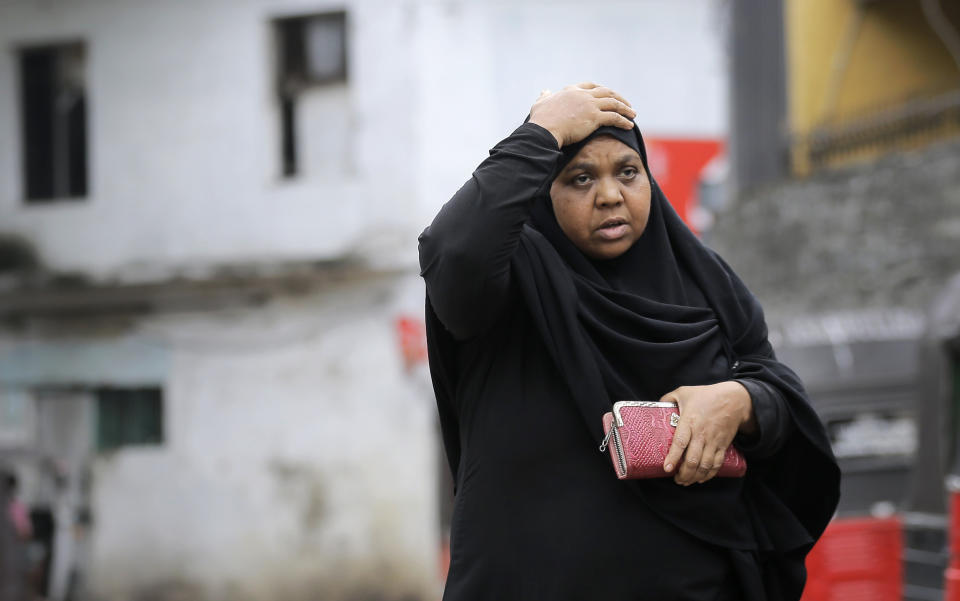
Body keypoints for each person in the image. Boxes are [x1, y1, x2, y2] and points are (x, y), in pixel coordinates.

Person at [418, 82, 840, 601]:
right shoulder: (508, 289)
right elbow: (453, 253)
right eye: (579, 178)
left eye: (627, 172)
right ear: (542, 194)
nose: (610, 195)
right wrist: (541, 133)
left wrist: (740, 402)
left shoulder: (705, 285)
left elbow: (779, 393)